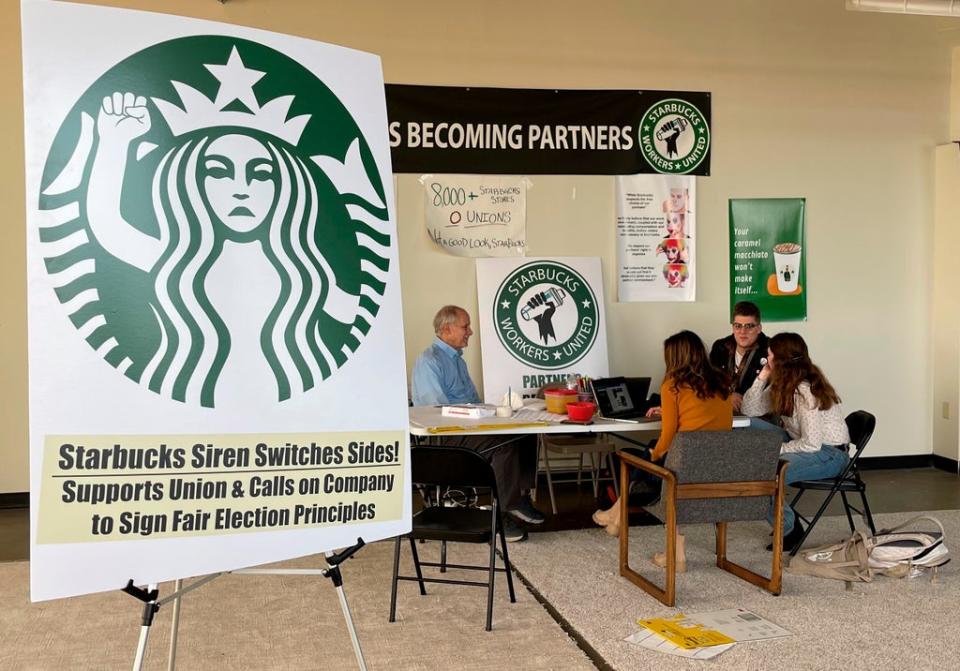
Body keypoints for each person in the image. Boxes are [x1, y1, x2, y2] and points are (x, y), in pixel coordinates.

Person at [592, 331, 733, 572]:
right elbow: (710, 420)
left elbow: (668, 436)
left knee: (641, 456)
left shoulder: (673, 387)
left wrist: (654, 454)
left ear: (674, 357)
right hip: (717, 467)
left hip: (682, 472)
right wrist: (668, 412)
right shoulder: (722, 383)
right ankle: (622, 520)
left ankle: (617, 514)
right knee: (651, 450)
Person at [411, 305, 545, 542]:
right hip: (445, 437)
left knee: (525, 432)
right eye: (465, 327)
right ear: (446, 329)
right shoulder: (429, 361)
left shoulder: (457, 361)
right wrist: (479, 419)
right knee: (503, 446)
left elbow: (474, 402)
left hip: (469, 428)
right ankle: (501, 514)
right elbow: (436, 414)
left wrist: (493, 414)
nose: (470, 332)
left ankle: (519, 497)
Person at [741, 332, 851, 552]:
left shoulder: (804, 391)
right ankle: (780, 516)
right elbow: (749, 410)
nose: (766, 357)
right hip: (802, 443)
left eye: (770, 354)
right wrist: (762, 376)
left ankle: (790, 529)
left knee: (767, 470)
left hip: (829, 454)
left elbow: (811, 445)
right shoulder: (783, 384)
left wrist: (774, 449)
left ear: (780, 360)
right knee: (744, 424)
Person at [710, 301, 769, 413]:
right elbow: (710, 381)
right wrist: (728, 395)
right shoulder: (720, 347)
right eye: (738, 326)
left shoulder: (770, 350)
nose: (743, 331)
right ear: (733, 327)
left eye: (749, 326)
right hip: (723, 412)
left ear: (759, 328)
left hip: (759, 416)